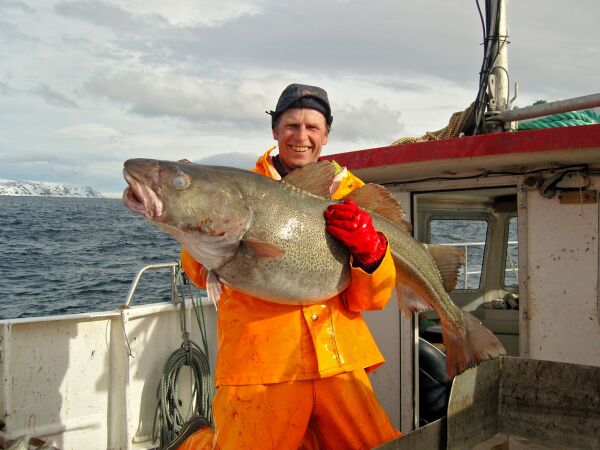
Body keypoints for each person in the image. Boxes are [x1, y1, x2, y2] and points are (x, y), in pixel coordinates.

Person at [176, 83, 401, 450]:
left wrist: (372, 256)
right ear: (275, 131)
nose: (302, 136)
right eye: (291, 126)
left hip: (339, 361)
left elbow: (371, 300)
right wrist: (192, 215)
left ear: (326, 135)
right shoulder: (236, 187)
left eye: (312, 127)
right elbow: (200, 273)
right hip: (260, 366)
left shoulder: (352, 194)